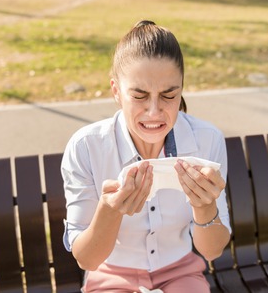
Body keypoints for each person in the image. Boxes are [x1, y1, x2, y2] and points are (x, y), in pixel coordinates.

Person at [61, 20, 231, 293]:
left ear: (181, 90)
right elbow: (87, 258)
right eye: (139, 96)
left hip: (181, 272)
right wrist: (110, 210)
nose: (154, 112)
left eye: (169, 95)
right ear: (116, 91)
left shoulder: (207, 140)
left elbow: (211, 251)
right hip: (111, 275)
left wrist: (204, 205)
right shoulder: (86, 147)